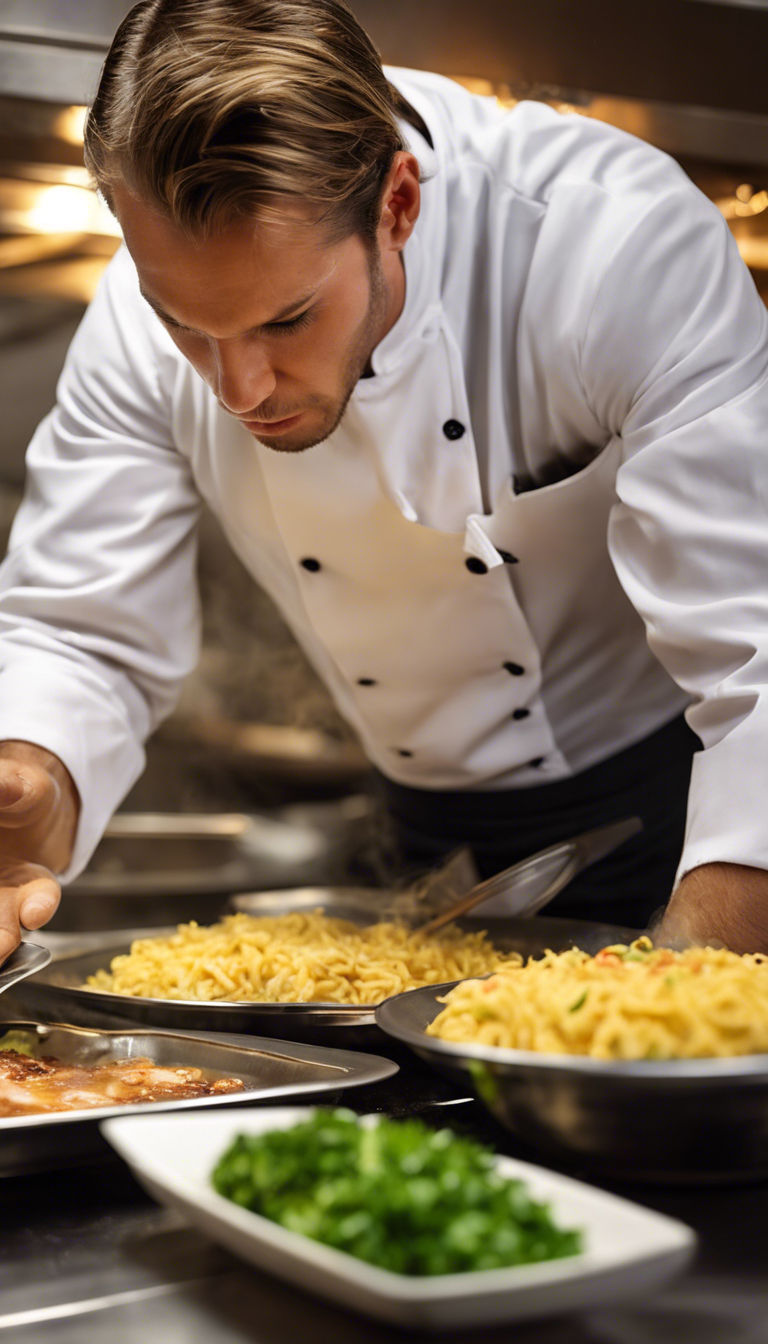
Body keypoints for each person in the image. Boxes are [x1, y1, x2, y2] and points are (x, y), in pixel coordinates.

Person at [0, 0, 767, 966]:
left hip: (683, 825)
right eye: (186, 328)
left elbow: (764, 662)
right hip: (412, 846)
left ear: (397, 205)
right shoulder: (131, 312)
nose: (238, 389)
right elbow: (77, 629)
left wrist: (677, 997)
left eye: (287, 322)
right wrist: (30, 774)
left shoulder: (613, 247)